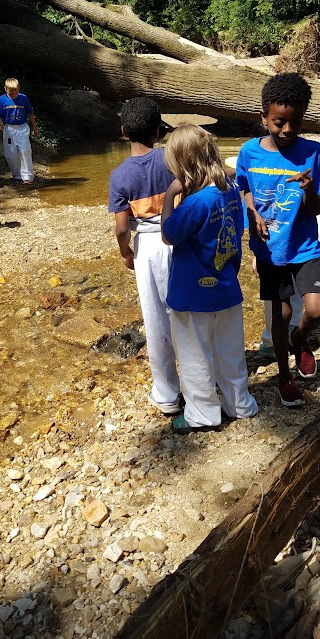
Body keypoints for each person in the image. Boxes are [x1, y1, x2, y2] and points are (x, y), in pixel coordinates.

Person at [236, 73, 320, 408]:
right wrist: (252, 213)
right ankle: (284, 375)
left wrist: (309, 191)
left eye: (295, 123)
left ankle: (300, 338)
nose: (287, 130)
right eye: (279, 122)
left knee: (316, 309)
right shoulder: (249, 152)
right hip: (269, 250)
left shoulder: (315, 153)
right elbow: (244, 188)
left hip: (304, 245)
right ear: (264, 118)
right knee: (279, 314)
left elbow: (314, 209)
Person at [161, 124, 258, 433]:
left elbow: (168, 234)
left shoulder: (194, 202)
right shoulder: (229, 191)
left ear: (183, 165)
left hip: (192, 295)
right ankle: (239, 403)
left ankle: (201, 414)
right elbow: (235, 233)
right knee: (230, 351)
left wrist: (169, 196)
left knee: (195, 357)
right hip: (226, 288)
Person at [108, 97, 180, 415]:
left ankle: (167, 395)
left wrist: (126, 253)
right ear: (158, 130)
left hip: (148, 248)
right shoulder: (171, 159)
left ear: (124, 132)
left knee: (156, 321)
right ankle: (204, 384)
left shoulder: (120, 176)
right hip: (181, 237)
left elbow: (123, 228)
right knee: (189, 315)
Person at [257, 165, 320, 358]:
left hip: (297, 231)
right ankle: (290, 337)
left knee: (281, 291)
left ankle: (276, 341)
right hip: (312, 228)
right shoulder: (312, 166)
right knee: (298, 289)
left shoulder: (280, 169)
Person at [0, 78, 38, 185]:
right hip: (9, 128)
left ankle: (27, 177)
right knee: (11, 153)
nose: (13, 95)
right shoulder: (2, 100)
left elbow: (30, 113)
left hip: (22, 128)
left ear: (19, 89)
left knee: (24, 151)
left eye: (15, 93)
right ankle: (17, 175)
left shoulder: (23, 98)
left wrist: (35, 128)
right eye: (11, 93)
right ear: (5, 89)